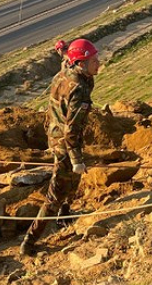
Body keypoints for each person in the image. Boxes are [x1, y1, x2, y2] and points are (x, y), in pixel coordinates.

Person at [20, 38, 100, 256]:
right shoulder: (79, 89)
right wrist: (76, 159)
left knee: (74, 180)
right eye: (93, 60)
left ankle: (64, 215)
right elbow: (72, 129)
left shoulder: (64, 74)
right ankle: (29, 241)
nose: (98, 63)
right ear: (81, 63)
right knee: (55, 192)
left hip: (54, 135)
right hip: (65, 143)